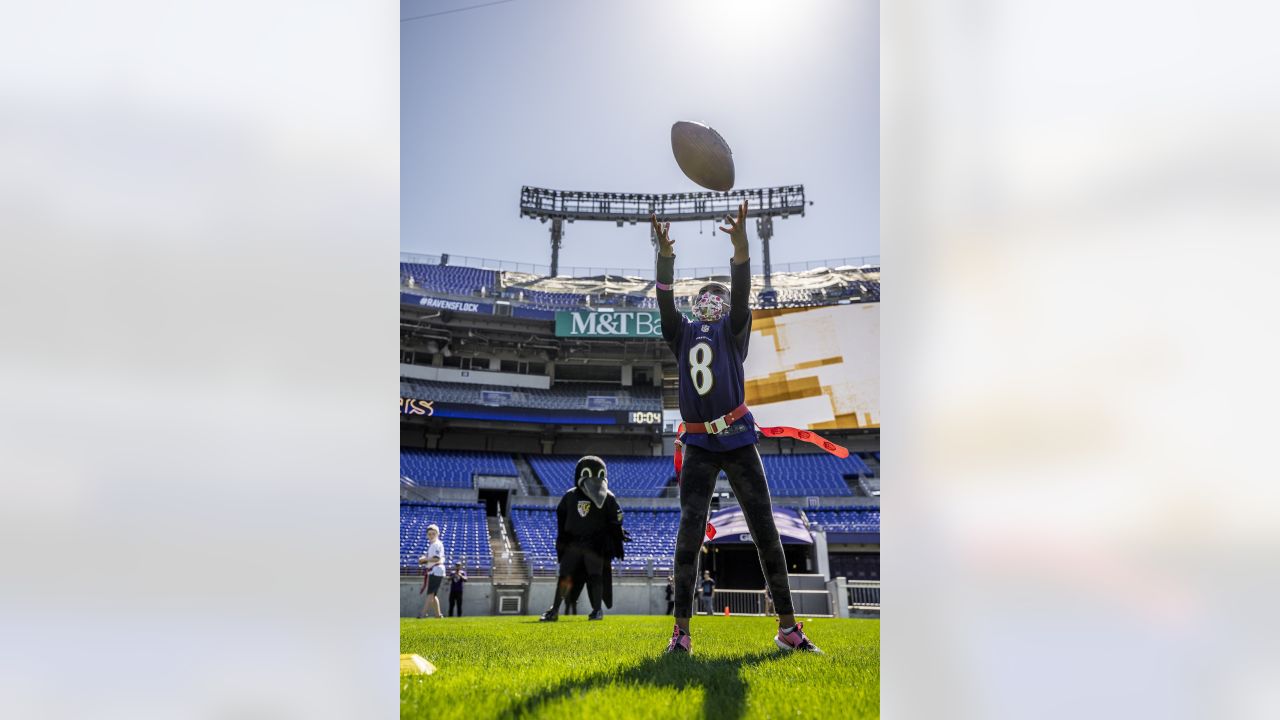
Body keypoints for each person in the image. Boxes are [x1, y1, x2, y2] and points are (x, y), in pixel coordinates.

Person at [653, 203, 822, 654]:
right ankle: (681, 634)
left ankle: (788, 629)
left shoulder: (733, 329)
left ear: (725, 304)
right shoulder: (682, 333)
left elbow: (743, 290)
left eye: (717, 293)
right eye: (704, 293)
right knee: (689, 532)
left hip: (738, 437)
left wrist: (741, 246)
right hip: (699, 443)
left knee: (765, 529)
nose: (710, 297)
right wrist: (664, 257)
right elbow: (664, 300)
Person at [538, 456, 630, 622]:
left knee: (595, 576)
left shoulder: (608, 497)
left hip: (595, 545)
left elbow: (616, 518)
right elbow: (561, 517)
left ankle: (597, 610)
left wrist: (618, 533)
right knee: (564, 575)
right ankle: (555, 610)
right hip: (573, 544)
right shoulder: (570, 496)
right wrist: (562, 541)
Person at [417, 524, 445, 619]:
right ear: (427, 535)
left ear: (437, 534)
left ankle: (422, 614)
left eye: (433, 533)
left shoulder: (436, 544)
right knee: (433, 594)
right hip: (434, 570)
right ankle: (438, 614)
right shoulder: (433, 545)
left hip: (436, 570)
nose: (431, 535)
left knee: (430, 593)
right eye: (429, 534)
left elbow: (436, 559)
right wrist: (424, 559)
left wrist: (424, 559)